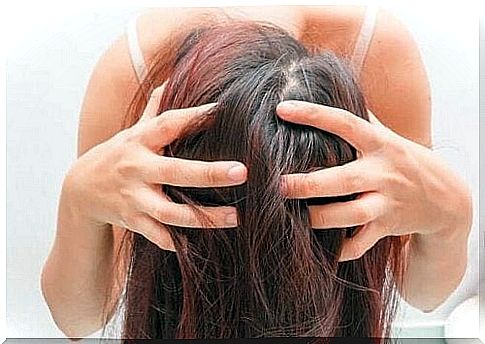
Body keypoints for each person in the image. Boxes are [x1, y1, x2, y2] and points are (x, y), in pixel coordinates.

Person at [40, 6, 473, 339]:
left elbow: (423, 292)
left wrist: (451, 216)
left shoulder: (376, 51)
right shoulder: (135, 67)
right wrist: (79, 204)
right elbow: (79, 317)